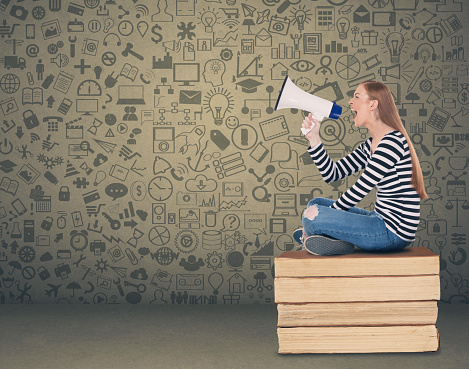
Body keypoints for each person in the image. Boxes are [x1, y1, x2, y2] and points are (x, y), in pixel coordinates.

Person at [293, 80, 428, 256]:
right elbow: (332, 173)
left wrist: (324, 217)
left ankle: (319, 234)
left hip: (393, 233)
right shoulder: (371, 144)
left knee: (313, 215)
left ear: (373, 104)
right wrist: (314, 138)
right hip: (378, 220)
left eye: (356, 96)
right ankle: (326, 238)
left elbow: (361, 188)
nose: (350, 102)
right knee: (315, 204)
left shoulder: (392, 142)